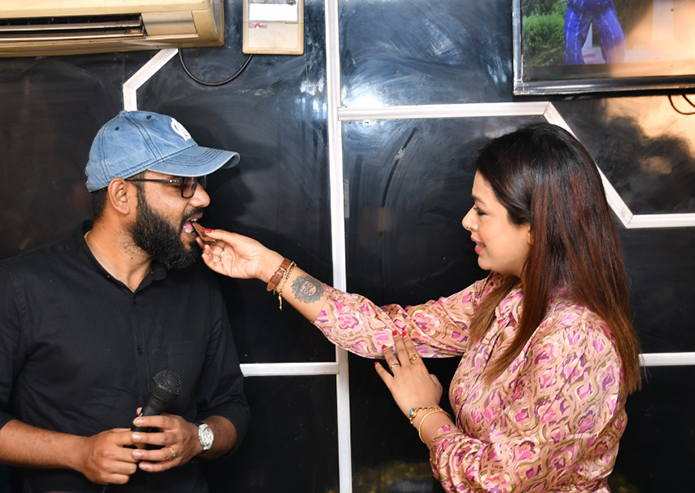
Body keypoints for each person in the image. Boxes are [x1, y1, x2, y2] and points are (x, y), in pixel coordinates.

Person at [196, 123, 642, 492]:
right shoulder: (506, 294)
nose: (466, 221)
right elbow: (386, 330)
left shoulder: (574, 338)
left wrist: (425, 413)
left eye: (481, 211)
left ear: (535, 227)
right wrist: (269, 267)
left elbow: (496, 483)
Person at [0, 110, 250, 493]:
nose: (203, 197)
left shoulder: (199, 287)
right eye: (181, 184)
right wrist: (78, 453)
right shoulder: (19, 286)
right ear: (121, 195)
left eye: (199, 182)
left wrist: (199, 438)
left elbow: (231, 407)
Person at [565, 0, 626, 65]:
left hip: (603, 7)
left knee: (616, 38)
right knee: (572, 46)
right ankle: (575, 71)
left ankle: (614, 70)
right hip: (577, 8)